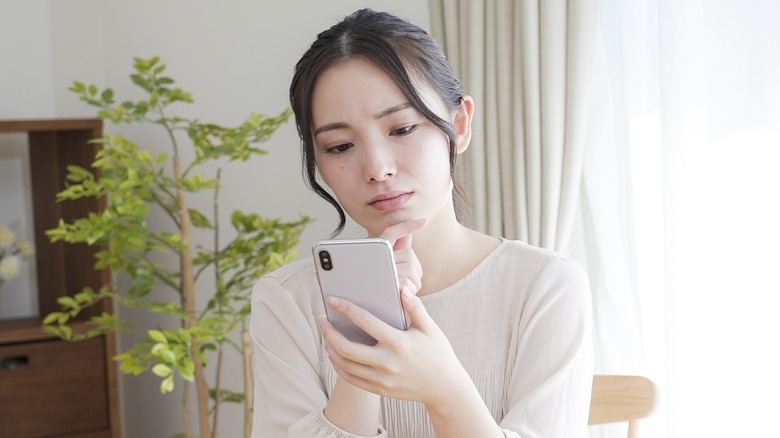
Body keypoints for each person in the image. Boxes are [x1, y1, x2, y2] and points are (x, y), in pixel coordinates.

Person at [250, 8, 593, 438]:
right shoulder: (286, 303)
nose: (377, 168)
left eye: (403, 128)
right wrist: (367, 333)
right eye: (339, 146)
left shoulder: (545, 285)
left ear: (460, 124)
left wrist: (445, 389)